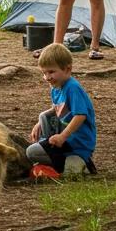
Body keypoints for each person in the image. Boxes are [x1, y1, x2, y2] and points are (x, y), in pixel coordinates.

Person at [22, 42, 97, 178]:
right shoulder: (56, 87)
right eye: (44, 73)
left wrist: (63, 136)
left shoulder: (73, 88)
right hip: (64, 141)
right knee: (43, 117)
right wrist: (39, 123)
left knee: (32, 153)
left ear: (67, 69)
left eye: (51, 72)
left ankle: (78, 161)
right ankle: (61, 162)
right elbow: (56, 109)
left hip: (76, 143)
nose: (47, 77)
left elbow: (80, 116)